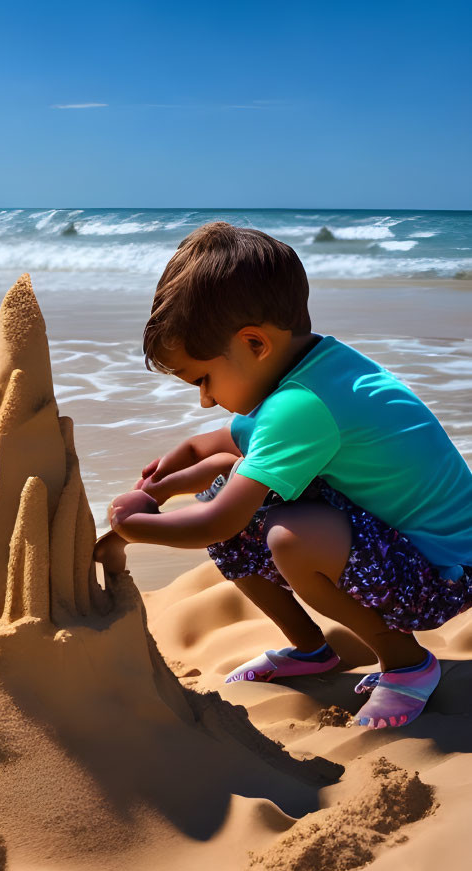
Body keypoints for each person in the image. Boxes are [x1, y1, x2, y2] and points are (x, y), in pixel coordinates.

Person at [96, 222, 472, 729]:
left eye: (203, 380)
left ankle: (407, 663)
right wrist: (171, 472)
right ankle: (310, 650)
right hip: (405, 544)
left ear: (254, 344)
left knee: (288, 537)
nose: (204, 399)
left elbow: (217, 524)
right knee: (221, 486)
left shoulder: (302, 406)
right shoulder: (309, 366)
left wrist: (130, 528)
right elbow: (227, 445)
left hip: (442, 575)